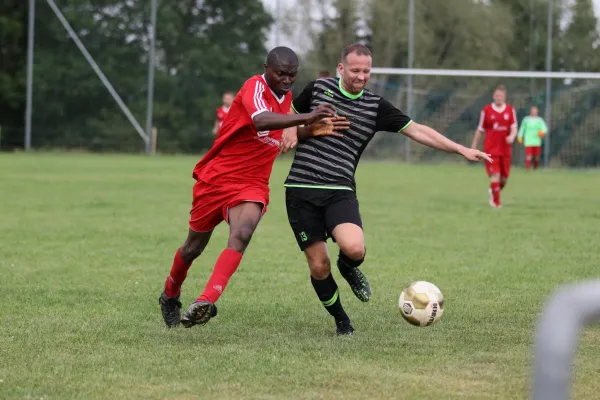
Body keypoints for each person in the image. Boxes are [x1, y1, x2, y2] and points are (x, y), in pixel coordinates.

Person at [279, 43, 491, 336]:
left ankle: (349, 267)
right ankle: (342, 321)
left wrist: (459, 149)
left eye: (366, 71)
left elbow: (417, 130)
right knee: (318, 265)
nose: (361, 76)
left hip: (339, 188)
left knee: (354, 248)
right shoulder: (318, 89)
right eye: (355, 70)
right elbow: (287, 110)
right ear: (341, 68)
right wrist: (292, 127)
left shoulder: (375, 106)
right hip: (301, 190)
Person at [158, 46, 349, 329]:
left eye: (292, 75)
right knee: (192, 248)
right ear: (267, 68)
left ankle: (206, 300)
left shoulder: (287, 101)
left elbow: (281, 133)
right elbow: (261, 119)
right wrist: (307, 117)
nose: (286, 80)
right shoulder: (254, 87)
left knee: (242, 233)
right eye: (280, 74)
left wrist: (311, 131)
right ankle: (169, 295)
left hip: (252, 184)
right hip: (217, 179)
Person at [471, 85, 518, 208]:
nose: (498, 98)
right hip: (491, 150)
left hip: (505, 150)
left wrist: (512, 136)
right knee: (495, 175)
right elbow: (480, 130)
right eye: (496, 95)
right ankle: (496, 203)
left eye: (501, 96)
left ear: (505, 97)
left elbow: (514, 127)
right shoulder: (486, 110)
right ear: (493, 96)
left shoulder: (510, 110)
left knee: (504, 179)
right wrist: (473, 147)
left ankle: (494, 190)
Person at [517, 105, 547, 170]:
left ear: (537, 112)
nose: (534, 112)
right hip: (528, 141)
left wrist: (542, 132)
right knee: (529, 156)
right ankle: (527, 169)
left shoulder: (540, 120)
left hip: (537, 141)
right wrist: (520, 136)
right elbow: (522, 128)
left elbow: (545, 128)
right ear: (530, 111)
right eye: (532, 111)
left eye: (535, 111)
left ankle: (535, 168)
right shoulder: (526, 120)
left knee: (537, 157)